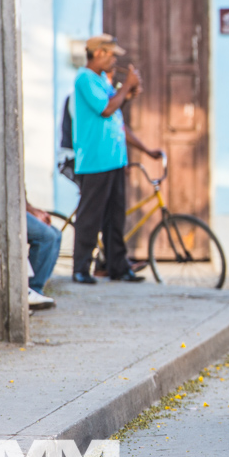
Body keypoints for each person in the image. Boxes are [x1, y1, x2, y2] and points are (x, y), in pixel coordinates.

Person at [71, 34, 162, 284]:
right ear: (98, 53)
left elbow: (117, 115)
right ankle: (81, 268)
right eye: (112, 55)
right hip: (95, 160)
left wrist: (129, 92)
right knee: (90, 216)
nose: (114, 60)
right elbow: (107, 108)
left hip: (114, 159)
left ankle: (117, 266)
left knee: (115, 216)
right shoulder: (84, 79)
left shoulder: (101, 80)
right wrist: (126, 86)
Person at [26, 200, 60, 309]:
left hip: (18, 207)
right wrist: (30, 210)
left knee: (56, 233)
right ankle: (32, 289)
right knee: (47, 236)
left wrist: (31, 209)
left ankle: (38, 288)